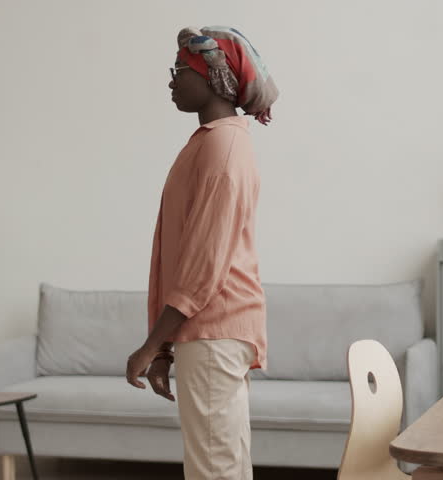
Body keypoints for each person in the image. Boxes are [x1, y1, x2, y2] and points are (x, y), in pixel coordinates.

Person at [125, 25, 279, 480]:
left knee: (215, 470)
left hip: (213, 332)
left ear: (214, 76)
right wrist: (165, 350)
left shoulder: (222, 145)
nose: (171, 80)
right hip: (206, 332)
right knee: (221, 465)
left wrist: (151, 345)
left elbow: (203, 265)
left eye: (180, 69)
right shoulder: (212, 141)